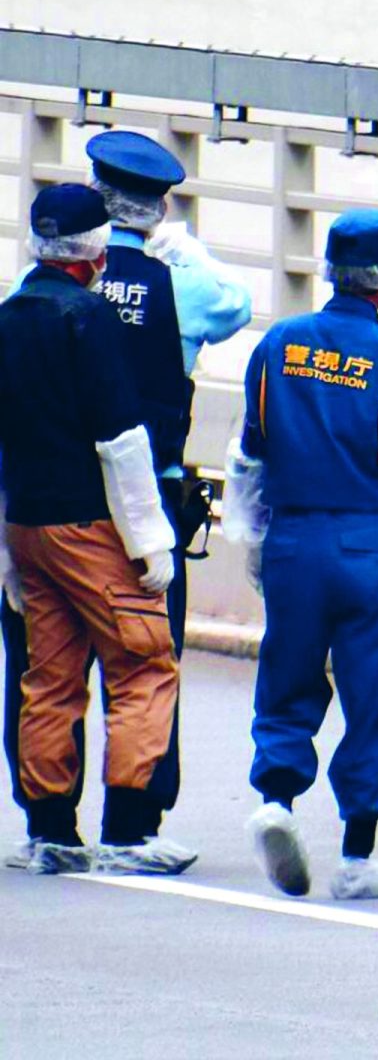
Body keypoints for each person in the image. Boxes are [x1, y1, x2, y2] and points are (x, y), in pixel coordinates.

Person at [223, 210, 378, 902]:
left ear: (329, 269)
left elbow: (249, 454)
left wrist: (250, 534)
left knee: (287, 674)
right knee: (374, 695)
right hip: (369, 543)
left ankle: (275, 797)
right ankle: (358, 854)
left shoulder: (278, 346)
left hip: (293, 539)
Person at [0, 184, 189, 876]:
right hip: (91, 523)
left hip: (28, 522)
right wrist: (152, 541)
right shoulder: (89, 319)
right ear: (95, 252)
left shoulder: (8, 317)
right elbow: (122, 441)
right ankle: (130, 830)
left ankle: (50, 829)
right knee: (142, 661)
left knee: (47, 675)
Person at [90, 130, 253, 820]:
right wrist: (187, 249)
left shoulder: (50, 278)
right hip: (147, 501)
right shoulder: (181, 281)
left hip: (55, 496)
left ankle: (49, 810)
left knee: (49, 668)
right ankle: (139, 814)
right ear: (159, 211)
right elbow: (237, 305)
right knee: (149, 663)